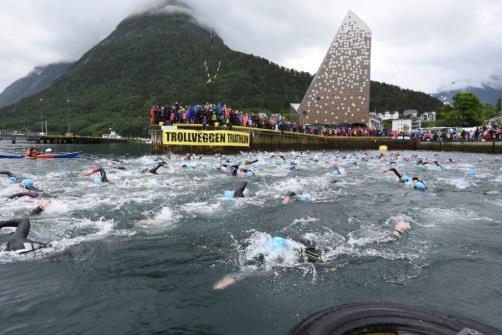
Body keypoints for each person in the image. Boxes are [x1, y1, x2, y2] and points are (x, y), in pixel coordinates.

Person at [214, 236, 322, 290]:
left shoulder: (291, 244)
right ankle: (237, 277)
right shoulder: (298, 250)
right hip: (281, 247)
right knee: (275, 270)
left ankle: (235, 277)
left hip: (274, 241)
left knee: (264, 262)